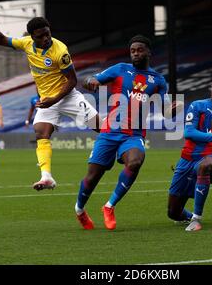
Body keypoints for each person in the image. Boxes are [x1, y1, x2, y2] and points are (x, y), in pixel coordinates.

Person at [0, 12, 100, 190]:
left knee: (102, 127)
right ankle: (46, 177)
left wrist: (54, 99)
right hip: (47, 101)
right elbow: (1, 39)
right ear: (32, 37)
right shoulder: (26, 44)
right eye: (41, 36)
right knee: (40, 133)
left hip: (67, 96)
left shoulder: (60, 51)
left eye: (48, 33)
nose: (46, 38)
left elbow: (72, 81)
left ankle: (121, 146)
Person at [74, 35, 173, 230]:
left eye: (140, 50)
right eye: (133, 50)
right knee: (93, 177)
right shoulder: (120, 69)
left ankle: (109, 206)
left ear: (148, 52)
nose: (136, 53)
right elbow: (91, 79)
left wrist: (174, 108)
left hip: (134, 134)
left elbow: (165, 110)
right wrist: (91, 81)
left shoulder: (158, 80)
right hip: (110, 131)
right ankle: (79, 209)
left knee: (135, 161)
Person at [167, 73, 212, 232]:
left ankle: (197, 219)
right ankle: (190, 216)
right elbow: (189, 133)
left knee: (207, 165)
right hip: (187, 160)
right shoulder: (197, 106)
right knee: (173, 212)